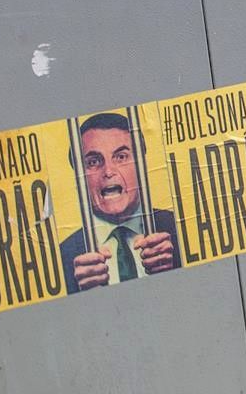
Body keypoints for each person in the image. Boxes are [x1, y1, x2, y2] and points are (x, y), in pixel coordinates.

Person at [59, 112, 179, 290]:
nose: (108, 171)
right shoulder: (62, 256)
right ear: (78, 178)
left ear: (142, 165)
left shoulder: (181, 228)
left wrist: (177, 264)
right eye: (93, 162)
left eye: (121, 157)